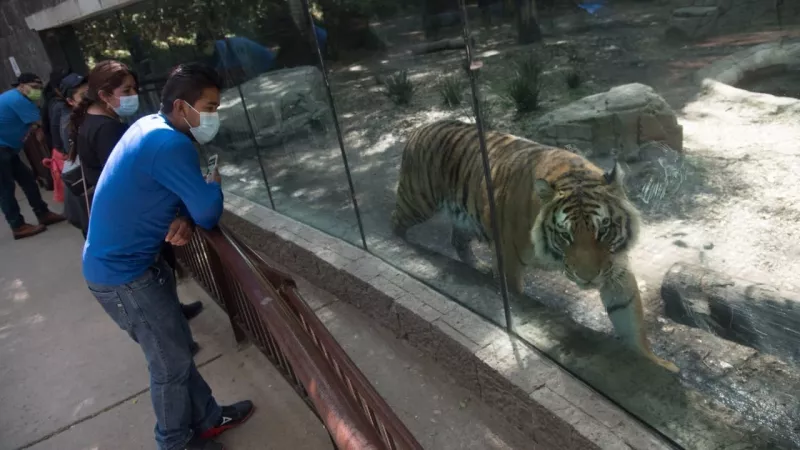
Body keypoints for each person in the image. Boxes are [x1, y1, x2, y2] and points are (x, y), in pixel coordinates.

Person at [83, 63, 253, 450]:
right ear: (181, 106)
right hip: (124, 278)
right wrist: (213, 184)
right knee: (170, 365)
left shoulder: (147, 126)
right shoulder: (171, 143)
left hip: (127, 268)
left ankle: (209, 417)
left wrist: (180, 215)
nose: (213, 117)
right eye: (208, 107)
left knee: (174, 353)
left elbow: (169, 198)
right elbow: (207, 211)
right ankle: (174, 442)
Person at [62, 60, 204, 331]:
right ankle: (172, 328)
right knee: (156, 281)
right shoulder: (107, 130)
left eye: (134, 89)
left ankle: (173, 314)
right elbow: (134, 177)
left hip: (114, 221)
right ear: (104, 95)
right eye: (126, 90)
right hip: (134, 224)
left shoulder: (91, 120)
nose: (133, 96)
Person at [0, 73, 66, 239]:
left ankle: (43, 213)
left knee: (28, 179)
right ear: (21, 86)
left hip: (7, 148)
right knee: (6, 189)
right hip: (2, 149)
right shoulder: (17, 100)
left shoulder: (15, 97)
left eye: (39, 88)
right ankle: (18, 226)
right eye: (34, 88)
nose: (37, 91)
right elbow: (38, 126)